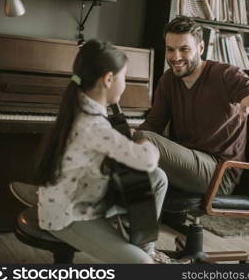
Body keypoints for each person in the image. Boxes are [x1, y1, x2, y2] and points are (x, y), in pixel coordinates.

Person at [33, 39, 186, 264]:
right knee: (141, 265)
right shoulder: (92, 125)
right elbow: (147, 160)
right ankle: (144, 257)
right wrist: (145, 142)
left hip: (88, 194)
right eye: (124, 77)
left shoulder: (81, 104)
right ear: (108, 79)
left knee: (158, 178)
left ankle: (145, 247)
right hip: (67, 215)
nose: (125, 84)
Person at [136, 16, 249, 196]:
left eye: (184, 49)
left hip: (220, 173)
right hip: (187, 161)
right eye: (170, 50)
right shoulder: (168, 79)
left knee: (143, 141)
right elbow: (153, 125)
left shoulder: (226, 75)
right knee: (132, 140)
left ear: (200, 48)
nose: (175, 57)